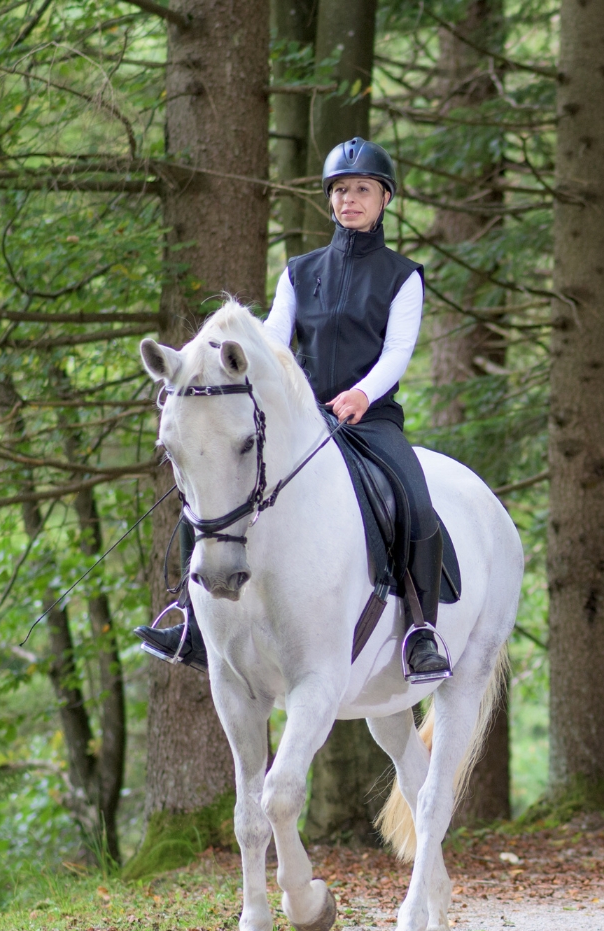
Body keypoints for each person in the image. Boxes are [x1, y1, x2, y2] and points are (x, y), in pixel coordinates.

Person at [135, 137, 451, 683]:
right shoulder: (300, 272)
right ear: (329, 200)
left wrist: (361, 395)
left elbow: (398, 351)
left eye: (362, 190)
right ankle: (190, 619)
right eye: (340, 190)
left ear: (384, 199)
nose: (350, 199)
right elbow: (274, 343)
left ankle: (422, 630)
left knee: (415, 503)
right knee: (209, 490)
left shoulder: (403, 277)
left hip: (369, 419)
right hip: (305, 421)